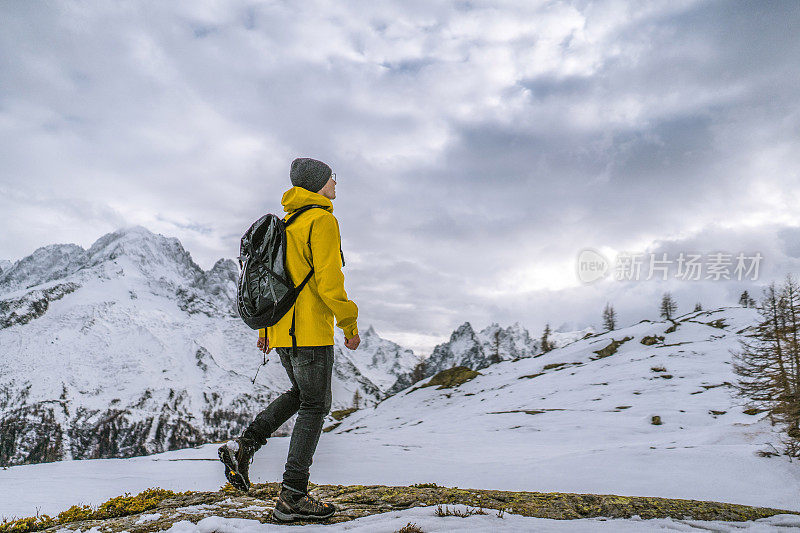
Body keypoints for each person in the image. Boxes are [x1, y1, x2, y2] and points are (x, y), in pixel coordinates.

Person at [218, 157, 360, 522]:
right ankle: (293, 496)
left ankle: (244, 445)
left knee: (302, 394)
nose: (335, 183)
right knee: (316, 405)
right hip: (311, 331)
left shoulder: (288, 223)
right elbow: (329, 281)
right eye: (331, 179)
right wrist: (349, 322)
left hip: (282, 331)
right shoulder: (322, 220)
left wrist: (267, 331)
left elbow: (272, 281)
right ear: (316, 184)